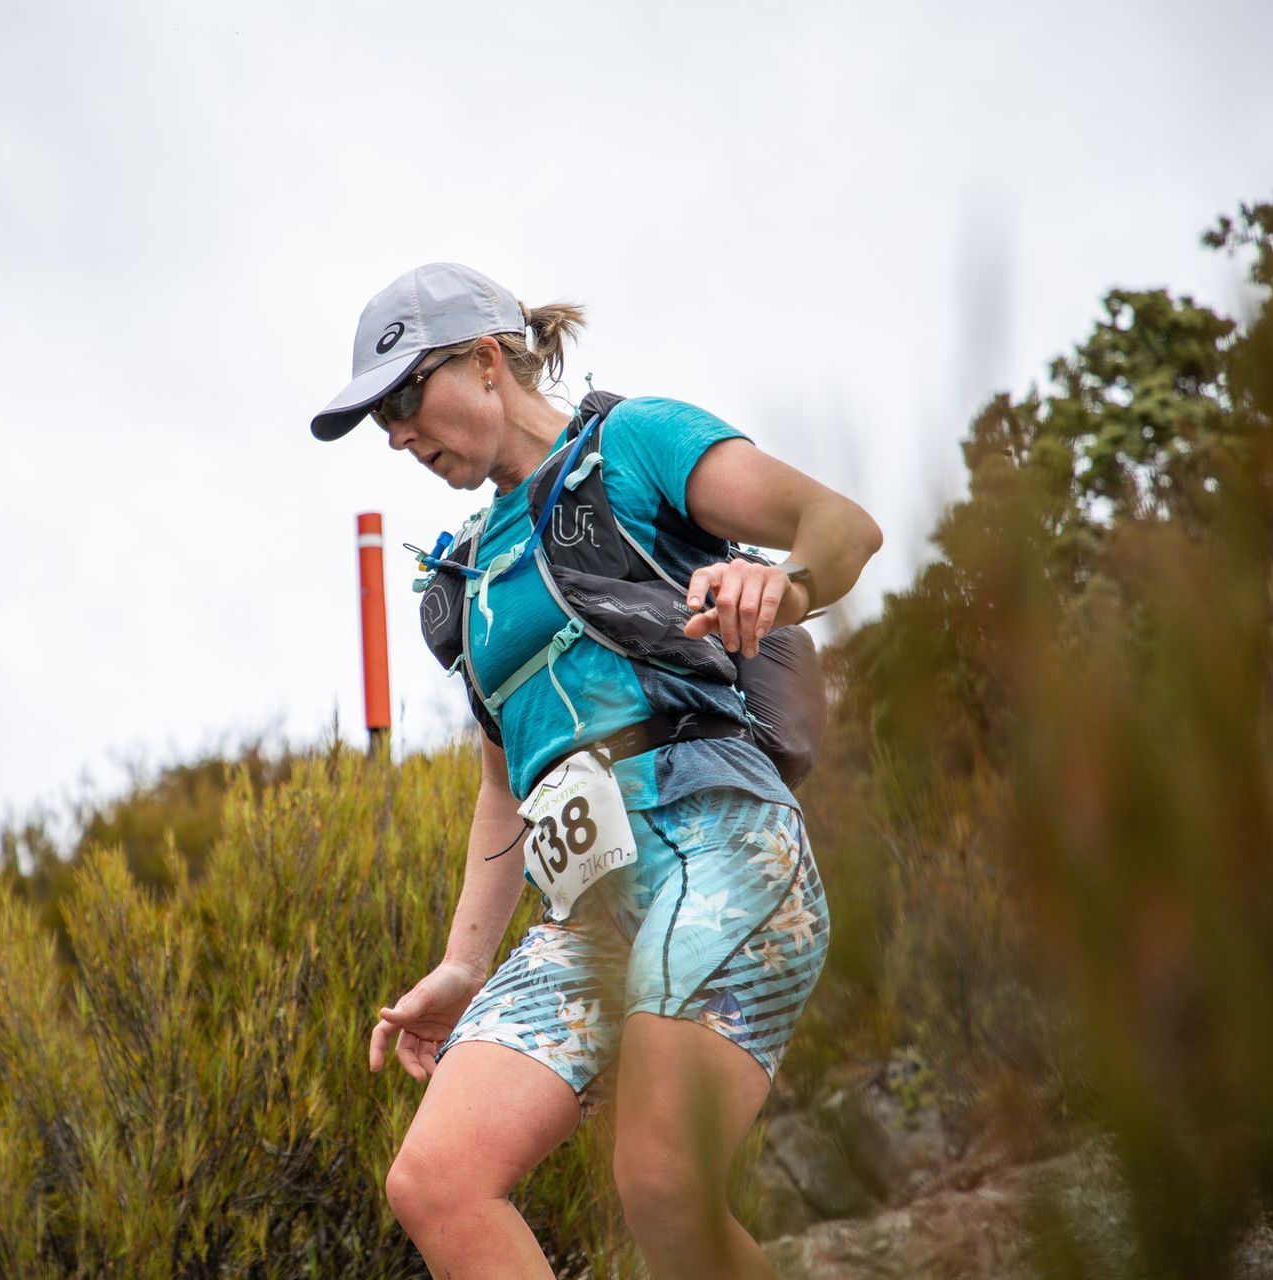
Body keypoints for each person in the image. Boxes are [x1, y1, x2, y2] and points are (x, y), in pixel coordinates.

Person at [310, 263, 882, 1279]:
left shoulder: (636, 444)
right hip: (588, 912)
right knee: (437, 1180)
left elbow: (842, 527)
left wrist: (779, 583)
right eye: (378, 419)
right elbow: (504, 783)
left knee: (662, 1185)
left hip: (724, 846)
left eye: (403, 397)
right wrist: (462, 962)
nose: (396, 433)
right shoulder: (466, 577)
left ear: (487, 360)